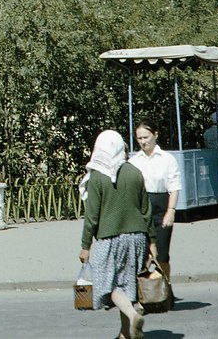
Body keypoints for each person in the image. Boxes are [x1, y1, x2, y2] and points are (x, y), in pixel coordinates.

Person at [79, 130, 154, 339]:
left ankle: (132, 314)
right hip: (138, 237)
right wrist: (153, 241)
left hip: (109, 237)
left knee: (106, 283)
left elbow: (92, 216)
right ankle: (125, 334)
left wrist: (85, 245)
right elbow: (146, 210)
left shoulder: (96, 177)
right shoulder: (134, 172)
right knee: (127, 284)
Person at [128, 119, 181, 285]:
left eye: (146, 137)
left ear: (155, 135)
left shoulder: (167, 159)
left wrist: (170, 211)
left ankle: (164, 289)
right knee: (143, 253)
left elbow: (174, 187)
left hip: (161, 207)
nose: (143, 142)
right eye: (139, 138)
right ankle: (145, 293)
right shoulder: (133, 162)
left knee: (162, 253)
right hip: (141, 209)